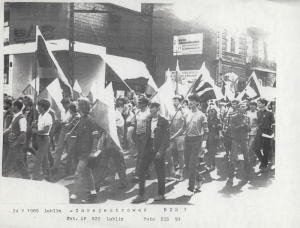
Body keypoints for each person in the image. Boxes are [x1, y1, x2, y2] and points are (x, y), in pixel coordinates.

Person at [171, 94, 208, 196]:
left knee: (192, 165)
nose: (191, 102)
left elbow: (206, 131)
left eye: (193, 101)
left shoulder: (202, 115)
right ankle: (199, 178)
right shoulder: (186, 114)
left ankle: (191, 188)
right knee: (187, 166)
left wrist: (203, 145)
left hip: (197, 140)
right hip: (187, 140)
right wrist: (173, 136)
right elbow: (183, 128)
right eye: (190, 101)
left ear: (197, 102)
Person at [132, 102, 170, 203]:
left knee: (160, 172)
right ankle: (141, 195)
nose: (151, 109)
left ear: (158, 108)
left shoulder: (164, 121)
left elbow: (166, 139)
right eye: (150, 107)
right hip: (148, 148)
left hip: (158, 149)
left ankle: (161, 194)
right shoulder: (149, 120)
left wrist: (160, 151)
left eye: (153, 107)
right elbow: (147, 135)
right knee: (141, 171)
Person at [69, 97, 100, 203]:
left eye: (78, 104)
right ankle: (93, 194)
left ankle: (73, 196)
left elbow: (96, 136)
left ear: (82, 106)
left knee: (78, 174)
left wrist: (93, 151)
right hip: (80, 150)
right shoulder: (81, 119)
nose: (76, 106)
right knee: (87, 173)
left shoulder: (89, 120)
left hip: (86, 152)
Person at [2, 100, 31, 179]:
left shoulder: (22, 118)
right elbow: (10, 128)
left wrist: (16, 144)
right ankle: (27, 178)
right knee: (19, 163)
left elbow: (23, 133)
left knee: (8, 163)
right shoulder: (16, 117)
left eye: (12, 106)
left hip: (16, 144)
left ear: (16, 107)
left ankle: (3, 177)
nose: (11, 107)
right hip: (13, 143)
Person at [227, 103, 254, 185]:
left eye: (244, 107)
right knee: (233, 157)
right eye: (241, 107)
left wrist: (246, 126)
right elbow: (233, 128)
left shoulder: (247, 117)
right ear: (238, 108)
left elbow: (249, 129)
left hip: (244, 138)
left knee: (247, 156)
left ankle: (248, 172)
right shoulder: (233, 117)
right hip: (235, 138)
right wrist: (242, 126)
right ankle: (231, 176)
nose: (243, 108)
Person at [166, 95, 186, 182]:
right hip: (172, 135)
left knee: (180, 154)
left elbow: (186, 123)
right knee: (168, 151)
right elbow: (168, 121)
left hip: (181, 135)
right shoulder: (171, 111)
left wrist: (181, 110)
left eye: (176, 101)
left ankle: (181, 172)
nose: (174, 102)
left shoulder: (185, 111)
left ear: (181, 102)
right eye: (173, 101)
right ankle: (172, 171)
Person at [31, 99, 53, 181]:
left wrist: (35, 131)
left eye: (39, 106)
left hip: (44, 139)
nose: (37, 108)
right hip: (39, 138)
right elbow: (41, 128)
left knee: (37, 159)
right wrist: (35, 126)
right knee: (44, 159)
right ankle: (47, 177)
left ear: (43, 107)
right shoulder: (40, 116)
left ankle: (35, 177)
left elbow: (46, 130)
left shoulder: (48, 116)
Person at [131, 97, 151, 182]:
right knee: (142, 154)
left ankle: (138, 174)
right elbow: (136, 123)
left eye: (140, 103)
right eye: (138, 102)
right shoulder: (137, 111)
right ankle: (146, 172)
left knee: (141, 155)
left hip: (145, 136)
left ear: (145, 104)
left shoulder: (149, 113)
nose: (138, 104)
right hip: (138, 135)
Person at [253, 98, 275, 172]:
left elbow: (273, 123)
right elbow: (257, 122)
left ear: (263, 104)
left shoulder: (270, 113)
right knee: (256, 148)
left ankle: (264, 165)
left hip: (267, 132)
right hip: (259, 132)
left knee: (266, 150)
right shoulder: (258, 113)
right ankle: (263, 161)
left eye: (259, 103)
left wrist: (273, 134)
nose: (258, 104)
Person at [51, 98, 72, 174]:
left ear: (69, 103)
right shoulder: (63, 111)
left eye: (66, 104)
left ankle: (68, 168)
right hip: (63, 131)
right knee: (59, 149)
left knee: (70, 151)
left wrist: (62, 122)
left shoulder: (73, 110)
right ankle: (55, 167)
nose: (64, 106)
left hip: (70, 131)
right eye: (63, 104)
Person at [63, 102, 81, 176]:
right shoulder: (73, 116)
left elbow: (69, 126)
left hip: (74, 137)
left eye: (69, 109)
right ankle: (76, 169)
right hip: (72, 137)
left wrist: (64, 123)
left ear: (71, 109)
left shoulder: (76, 116)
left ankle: (67, 171)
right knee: (74, 155)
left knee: (70, 154)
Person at [206, 105, 223, 171]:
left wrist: (220, 135)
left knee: (211, 152)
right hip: (207, 137)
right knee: (209, 151)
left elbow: (219, 128)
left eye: (212, 111)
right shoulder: (207, 119)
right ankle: (213, 165)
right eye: (209, 111)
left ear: (215, 112)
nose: (210, 113)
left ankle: (209, 165)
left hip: (214, 137)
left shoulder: (217, 120)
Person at [246, 101, 259, 167]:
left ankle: (251, 161)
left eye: (253, 105)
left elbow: (259, 122)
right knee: (248, 147)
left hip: (254, 131)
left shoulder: (257, 113)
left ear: (256, 106)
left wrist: (257, 128)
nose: (252, 106)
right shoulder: (247, 113)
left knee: (251, 147)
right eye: (251, 105)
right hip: (247, 132)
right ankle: (252, 159)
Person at [3, 97, 14, 165]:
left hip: (8, 135)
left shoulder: (11, 113)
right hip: (5, 134)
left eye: (4, 104)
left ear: (8, 104)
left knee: (7, 151)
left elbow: (11, 126)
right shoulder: (6, 113)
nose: (3, 105)